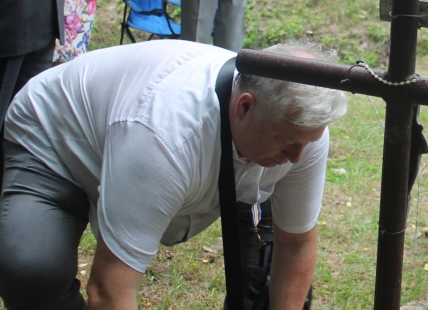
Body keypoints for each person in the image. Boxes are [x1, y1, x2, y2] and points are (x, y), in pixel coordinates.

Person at [0, 39, 347, 310]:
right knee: (32, 270)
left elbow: (295, 242)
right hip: (59, 140)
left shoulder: (299, 128)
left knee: (268, 277)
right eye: (287, 143)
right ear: (244, 106)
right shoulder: (164, 136)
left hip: (156, 148)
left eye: (306, 144)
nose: (295, 158)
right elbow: (109, 290)